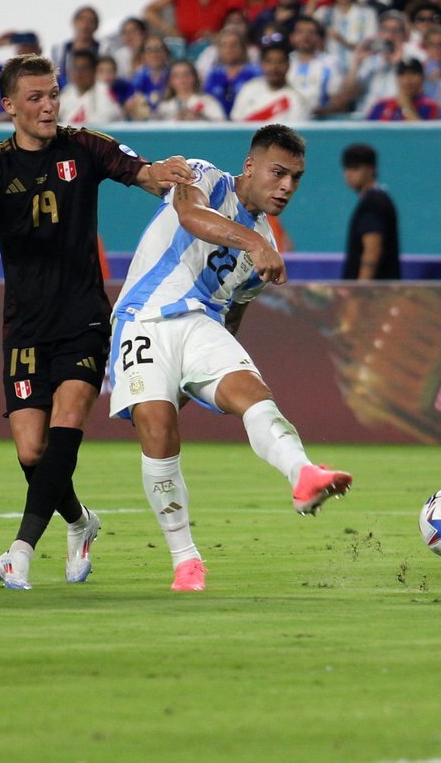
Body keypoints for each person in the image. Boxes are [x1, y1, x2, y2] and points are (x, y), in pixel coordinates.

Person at [0, 53, 194, 591]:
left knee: (66, 424)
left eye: (52, 93)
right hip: (24, 328)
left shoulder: (84, 146)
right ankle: (80, 522)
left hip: (84, 321)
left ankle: (19, 553)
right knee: (32, 452)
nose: (48, 105)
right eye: (35, 97)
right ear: (9, 107)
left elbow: (140, 173)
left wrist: (161, 175)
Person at [108, 124, 353, 593]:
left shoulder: (263, 250)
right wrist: (255, 242)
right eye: (278, 173)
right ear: (250, 166)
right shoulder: (205, 176)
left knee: (252, 393)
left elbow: (234, 311)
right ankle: (186, 561)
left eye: (296, 178)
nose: (286, 186)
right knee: (158, 431)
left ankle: (304, 475)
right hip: (143, 318)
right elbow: (189, 216)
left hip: (201, 325)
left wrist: (219, 368)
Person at [340, 142, 401, 280]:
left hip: (374, 296)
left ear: (371, 169)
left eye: (355, 168)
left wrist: (361, 291)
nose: (348, 174)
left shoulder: (373, 202)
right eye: (346, 168)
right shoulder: (377, 199)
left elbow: (372, 249)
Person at [230, 40, 312, 121]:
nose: (274, 68)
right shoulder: (248, 89)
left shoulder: (297, 99)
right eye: (269, 62)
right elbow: (236, 121)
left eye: (280, 62)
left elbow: (295, 132)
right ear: (262, 64)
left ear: (288, 66)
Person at [57, 47, 122, 124]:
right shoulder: (67, 92)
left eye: (84, 68)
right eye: (75, 68)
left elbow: (104, 124)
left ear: (94, 70)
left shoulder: (104, 92)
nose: (79, 72)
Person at [365, 56, 441, 119]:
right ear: (397, 79)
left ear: (422, 78)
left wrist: (406, 105)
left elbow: (425, 136)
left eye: (413, 73)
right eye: (403, 74)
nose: (408, 79)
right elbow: (367, 135)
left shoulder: (430, 106)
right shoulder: (381, 105)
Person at [153, 58, 226, 121]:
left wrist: (200, 117)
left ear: (194, 77)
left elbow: (221, 123)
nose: (182, 79)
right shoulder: (164, 106)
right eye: (176, 76)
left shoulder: (208, 101)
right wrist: (175, 118)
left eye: (186, 74)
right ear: (170, 81)